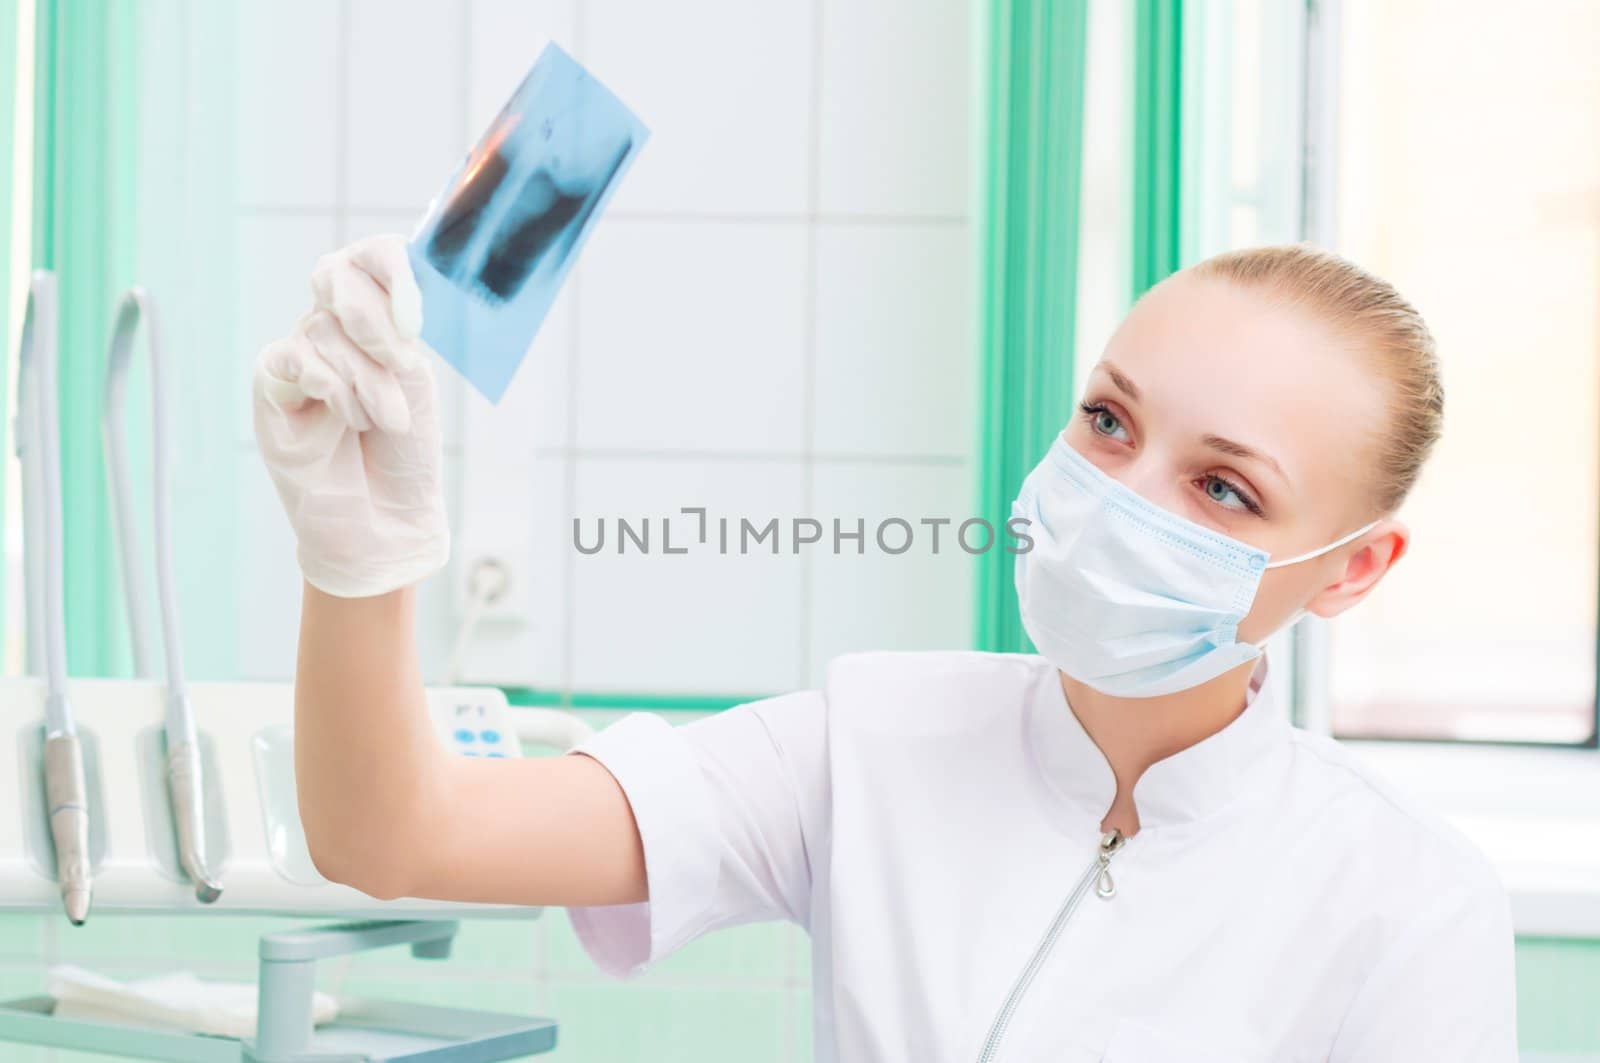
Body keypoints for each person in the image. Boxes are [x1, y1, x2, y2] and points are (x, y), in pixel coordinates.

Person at [253, 236, 1516, 1061]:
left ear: (1352, 567)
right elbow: (394, 833)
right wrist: (361, 561)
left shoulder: (1405, 901)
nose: (1126, 498)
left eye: (1224, 490)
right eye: (1109, 420)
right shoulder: (868, 746)